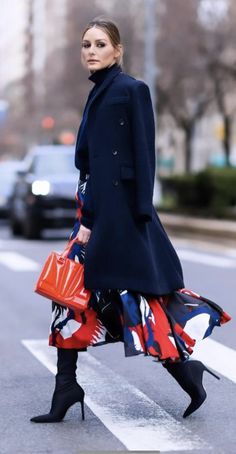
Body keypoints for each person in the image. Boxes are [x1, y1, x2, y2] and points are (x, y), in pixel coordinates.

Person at [30, 17, 231, 423]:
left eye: (100, 44)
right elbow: (91, 161)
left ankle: (184, 369)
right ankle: (68, 386)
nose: (91, 51)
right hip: (95, 209)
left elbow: (143, 155)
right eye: (86, 44)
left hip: (117, 215)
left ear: (117, 50)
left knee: (136, 302)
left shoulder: (131, 90)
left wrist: (135, 213)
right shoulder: (99, 93)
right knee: (73, 297)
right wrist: (88, 209)